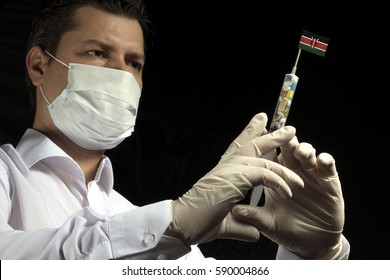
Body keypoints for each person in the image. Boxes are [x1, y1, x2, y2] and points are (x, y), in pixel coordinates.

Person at [0, 0, 349, 260]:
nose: (122, 74)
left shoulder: (141, 223)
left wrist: (317, 254)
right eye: (98, 53)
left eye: (134, 63)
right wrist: (171, 224)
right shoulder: (7, 177)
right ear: (38, 65)